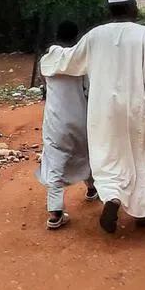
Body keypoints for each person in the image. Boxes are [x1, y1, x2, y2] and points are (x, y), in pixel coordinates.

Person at [40, 0, 145, 234]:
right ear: (133, 7)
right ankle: (142, 212)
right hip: (136, 108)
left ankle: (113, 198)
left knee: (109, 156)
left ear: (111, 11)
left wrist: (50, 56)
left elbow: (70, 60)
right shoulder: (144, 34)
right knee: (139, 156)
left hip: (102, 110)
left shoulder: (95, 36)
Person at [36, 21, 96, 230]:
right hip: (80, 118)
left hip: (55, 120)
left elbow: (44, 85)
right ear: (76, 36)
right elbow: (89, 90)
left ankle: (55, 213)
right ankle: (92, 189)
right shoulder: (81, 61)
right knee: (85, 154)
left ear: (56, 34)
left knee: (55, 162)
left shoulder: (45, 60)